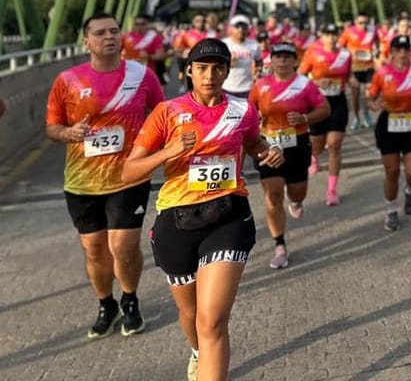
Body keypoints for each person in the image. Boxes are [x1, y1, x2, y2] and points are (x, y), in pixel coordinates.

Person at [122, 38, 284, 381]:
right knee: (191, 314)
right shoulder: (167, 112)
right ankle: (197, 352)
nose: (209, 75)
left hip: (228, 215)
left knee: (212, 322)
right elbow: (129, 172)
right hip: (177, 220)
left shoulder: (242, 110)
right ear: (189, 72)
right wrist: (168, 152)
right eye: (202, 68)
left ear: (227, 72)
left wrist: (268, 150)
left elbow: (254, 143)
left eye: (217, 68)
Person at [45, 12, 165, 339]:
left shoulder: (142, 75)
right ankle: (106, 304)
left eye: (114, 31)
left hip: (129, 176)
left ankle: (129, 299)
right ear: (86, 42)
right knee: (95, 249)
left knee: (123, 246)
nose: (109, 37)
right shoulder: (68, 80)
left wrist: (152, 146)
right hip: (82, 181)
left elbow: (162, 115)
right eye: (100, 33)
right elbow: (52, 128)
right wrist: (69, 133)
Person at [249, 42, 330, 270]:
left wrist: (305, 118)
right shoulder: (260, 85)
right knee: (273, 195)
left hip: (297, 145)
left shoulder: (305, 85)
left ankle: (295, 200)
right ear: (272, 60)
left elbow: (325, 109)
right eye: (278, 57)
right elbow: (249, 112)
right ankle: (279, 245)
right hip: (268, 145)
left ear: (295, 61)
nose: (282, 61)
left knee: (297, 192)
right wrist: (256, 119)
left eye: (287, 57)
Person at [366, 35, 411, 232]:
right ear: (392, 52)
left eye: (405, 49)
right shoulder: (382, 73)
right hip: (388, 123)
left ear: (410, 51)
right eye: (398, 49)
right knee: (392, 171)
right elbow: (370, 97)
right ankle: (391, 210)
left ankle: (409, 191)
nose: (402, 53)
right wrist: (374, 105)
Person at [298, 23, 354, 205]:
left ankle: (332, 190)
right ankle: (314, 157)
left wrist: (353, 82)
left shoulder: (345, 54)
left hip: (338, 102)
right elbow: (299, 76)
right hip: (317, 104)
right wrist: (316, 82)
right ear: (321, 36)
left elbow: (348, 75)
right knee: (317, 146)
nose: (331, 38)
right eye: (327, 34)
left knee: (335, 144)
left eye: (334, 34)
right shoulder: (313, 52)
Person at [339, 12, 378, 130]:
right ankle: (356, 117)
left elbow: (377, 43)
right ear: (355, 23)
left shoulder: (372, 31)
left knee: (368, 93)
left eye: (366, 23)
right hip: (354, 67)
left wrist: (376, 50)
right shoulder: (348, 31)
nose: (363, 25)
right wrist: (350, 52)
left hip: (369, 66)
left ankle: (366, 114)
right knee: (355, 95)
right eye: (360, 23)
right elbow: (340, 47)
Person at [221, 15, 259, 98]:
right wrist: (228, 63)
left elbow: (259, 61)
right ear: (231, 28)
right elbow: (216, 64)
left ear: (248, 29)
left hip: (247, 88)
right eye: (237, 26)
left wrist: (257, 72)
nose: (240, 29)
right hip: (226, 87)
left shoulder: (254, 44)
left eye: (244, 27)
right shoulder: (223, 44)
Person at [172, 13, 209, 83]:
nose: (201, 23)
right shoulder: (186, 34)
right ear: (193, 22)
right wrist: (181, 70)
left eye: (203, 21)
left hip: (208, 68)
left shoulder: (211, 34)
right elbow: (179, 52)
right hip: (192, 68)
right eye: (197, 21)